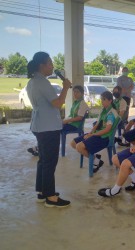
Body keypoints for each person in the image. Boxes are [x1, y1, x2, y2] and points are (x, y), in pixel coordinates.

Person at [26, 51, 72, 208]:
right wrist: (66, 87)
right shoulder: (43, 83)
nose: (52, 66)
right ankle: (51, 197)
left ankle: (42, 191)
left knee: (43, 160)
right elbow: (58, 103)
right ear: (42, 66)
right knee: (50, 162)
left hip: (38, 125)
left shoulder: (32, 82)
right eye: (50, 63)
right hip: (48, 127)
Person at [71, 91, 119, 172]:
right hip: (97, 134)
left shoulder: (111, 113)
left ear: (110, 100)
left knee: (79, 146)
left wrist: (92, 135)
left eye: (104, 100)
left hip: (104, 138)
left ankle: (96, 161)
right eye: (101, 99)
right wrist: (90, 133)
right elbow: (97, 124)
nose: (101, 101)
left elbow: (107, 129)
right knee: (73, 143)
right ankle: (96, 160)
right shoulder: (104, 110)